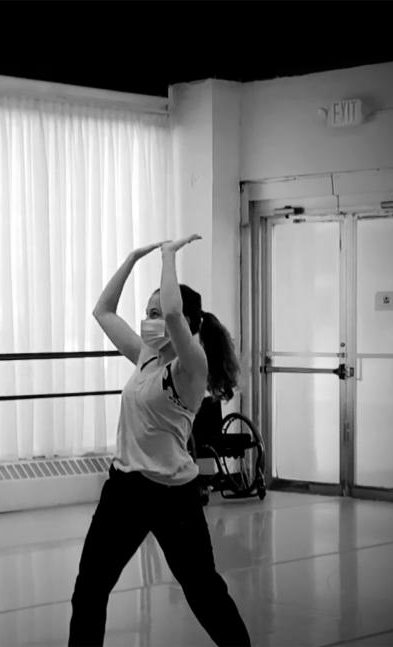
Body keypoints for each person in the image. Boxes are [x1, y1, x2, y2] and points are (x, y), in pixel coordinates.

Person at [68, 235, 251, 647]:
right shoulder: (145, 354)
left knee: (203, 591)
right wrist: (132, 259)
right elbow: (102, 311)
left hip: (174, 495)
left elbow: (173, 311)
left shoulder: (192, 366)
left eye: (158, 314)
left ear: (189, 326)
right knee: (90, 591)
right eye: (146, 313)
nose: (152, 320)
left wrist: (168, 257)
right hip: (126, 490)